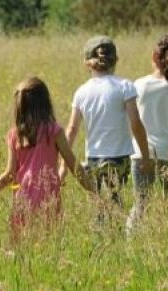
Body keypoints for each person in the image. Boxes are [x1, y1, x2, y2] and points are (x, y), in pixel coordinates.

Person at [0, 77, 95, 243]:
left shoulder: (14, 135)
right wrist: (93, 189)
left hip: (22, 197)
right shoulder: (54, 131)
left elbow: (10, 174)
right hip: (48, 196)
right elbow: (73, 164)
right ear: (45, 103)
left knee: (21, 244)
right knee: (48, 243)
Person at [60, 35, 154, 228]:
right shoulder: (125, 86)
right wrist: (145, 156)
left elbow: (71, 130)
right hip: (119, 157)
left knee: (99, 202)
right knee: (115, 199)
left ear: (87, 63)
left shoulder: (81, 92)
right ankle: (115, 238)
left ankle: (102, 237)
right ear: (116, 60)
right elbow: (135, 123)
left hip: (93, 158)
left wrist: (62, 168)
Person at [127, 35, 168, 235]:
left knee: (141, 203)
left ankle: (131, 241)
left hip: (141, 152)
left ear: (155, 56)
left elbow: (132, 118)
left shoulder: (139, 85)